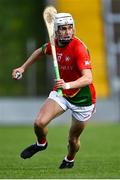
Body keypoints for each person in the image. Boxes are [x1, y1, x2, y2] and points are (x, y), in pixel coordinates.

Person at [12, 12, 96, 169]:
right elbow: (39, 52)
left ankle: (69, 159)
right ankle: (41, 143)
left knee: (73, 140)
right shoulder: (54, 44)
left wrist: (67, 85)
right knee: (39, 123)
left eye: (70, 28)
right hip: (62, 94)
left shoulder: (79, 48)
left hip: (83, 99)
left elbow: (88, 78)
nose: (67, 32)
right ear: (56, 31)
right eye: (63, 29)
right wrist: (22, 67)